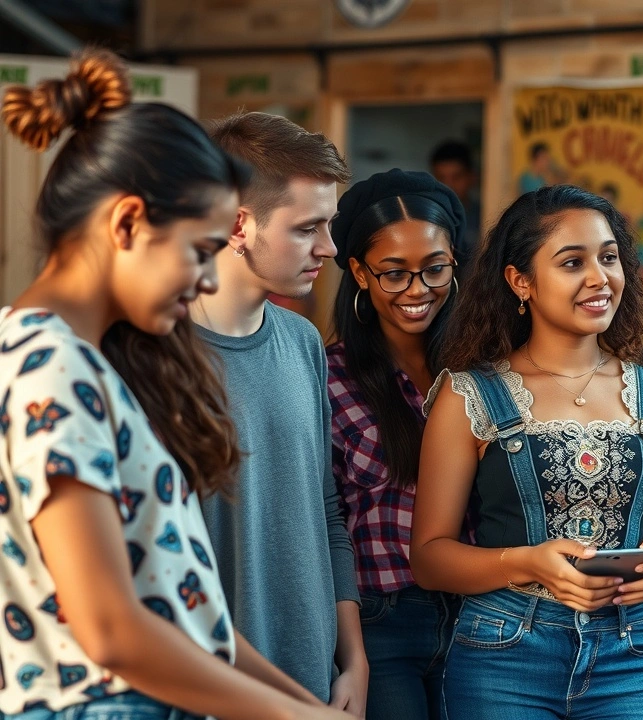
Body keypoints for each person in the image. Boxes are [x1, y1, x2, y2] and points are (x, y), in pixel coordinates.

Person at [0, 49, 351, 720]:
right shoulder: (51, 365)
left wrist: (296, 700)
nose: (210, 277)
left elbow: (187, 606)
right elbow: (112, 631)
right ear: (128, 223)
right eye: (198, 251)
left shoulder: (65, 356)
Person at [410, 184, 643, 719]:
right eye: (572, 262)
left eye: (609, 257)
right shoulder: (469, 396)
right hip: (503, 656)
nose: (600, 278)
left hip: (632, 657)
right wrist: (529, 562)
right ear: (520, 280)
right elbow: (429, 559)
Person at [193, 112, 365, 714]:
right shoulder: (153, 358)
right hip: (207, 691)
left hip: (315, 686)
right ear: (239, 224)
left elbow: (324, 509)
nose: (330, 248)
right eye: (307, 228)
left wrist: (353, 659)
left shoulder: (302, 342)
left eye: (330, 225)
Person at [327, 169, 467, 720]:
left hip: (479, 614)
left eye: (435, 269)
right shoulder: (329, 374)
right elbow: (327, 518)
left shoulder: (481, 369)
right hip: (380, 621)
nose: (417, 291)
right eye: (394, 274)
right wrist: (349, 653)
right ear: (360, 272)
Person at [429, 140, 481, 253]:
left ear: (472, 177)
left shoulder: (484, 215)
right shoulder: (424, 219)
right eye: (440, 178)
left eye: (456, 177)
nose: (448, 186)